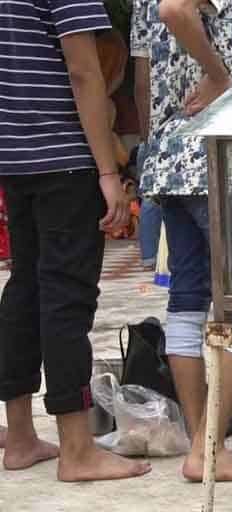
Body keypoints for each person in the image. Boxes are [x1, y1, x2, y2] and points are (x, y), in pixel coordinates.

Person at [0, 0, 150, 481]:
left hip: (16, 158)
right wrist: (109, 171)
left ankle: (20, 437)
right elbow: (84, 73)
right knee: (67, 296)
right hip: (65, 156)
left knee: (25, 288)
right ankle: (77, 449)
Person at [131, 0, 232, 482]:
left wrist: (154, 148)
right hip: (213, 155)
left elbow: (143, 80)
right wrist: (218, 74)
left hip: (168, 157)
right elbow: (176, 9)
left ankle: (200, 444)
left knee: (187, 300)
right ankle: (210, 446)